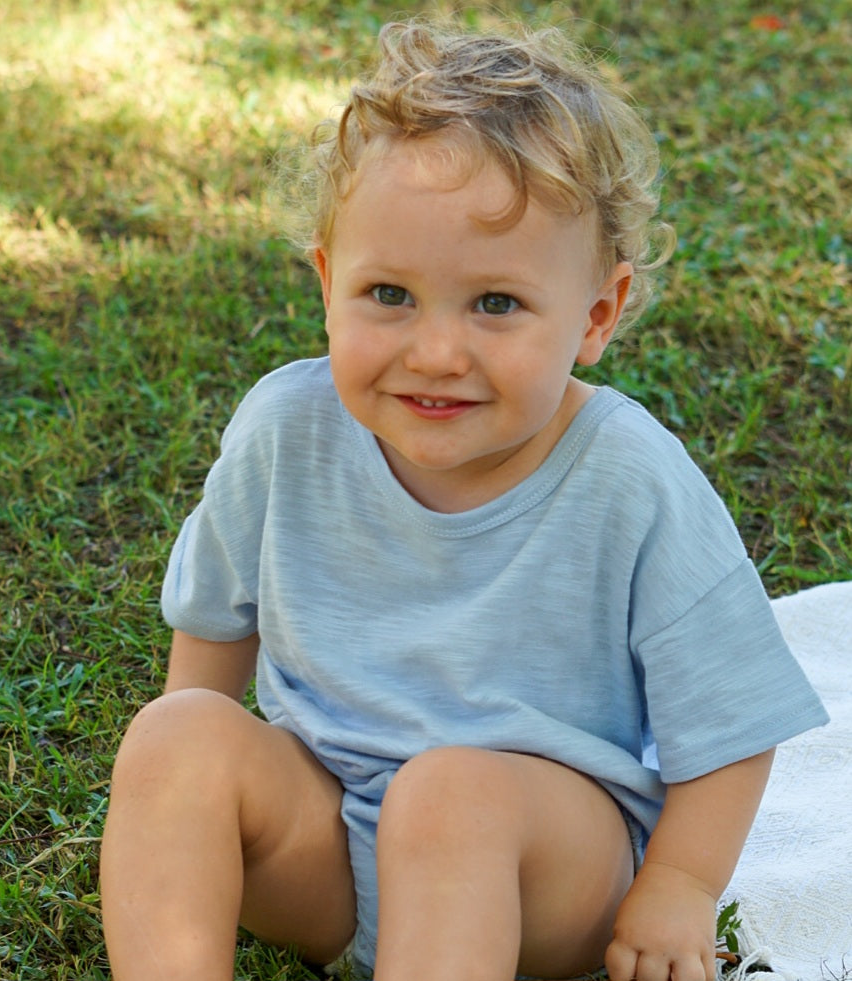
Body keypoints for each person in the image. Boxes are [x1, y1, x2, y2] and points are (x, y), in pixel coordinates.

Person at [99, 18, 828, 981]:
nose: (435, 352)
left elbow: (732, 717)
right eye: (389, 294)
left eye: (494, 304)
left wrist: (682, 885)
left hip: (543, 874)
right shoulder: (285, 429)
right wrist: (188, 799)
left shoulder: (628, 477)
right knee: (172, 729)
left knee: (448, 794)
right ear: (327, 280)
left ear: (594, 315)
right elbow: (210, 630)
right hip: (334, 846)